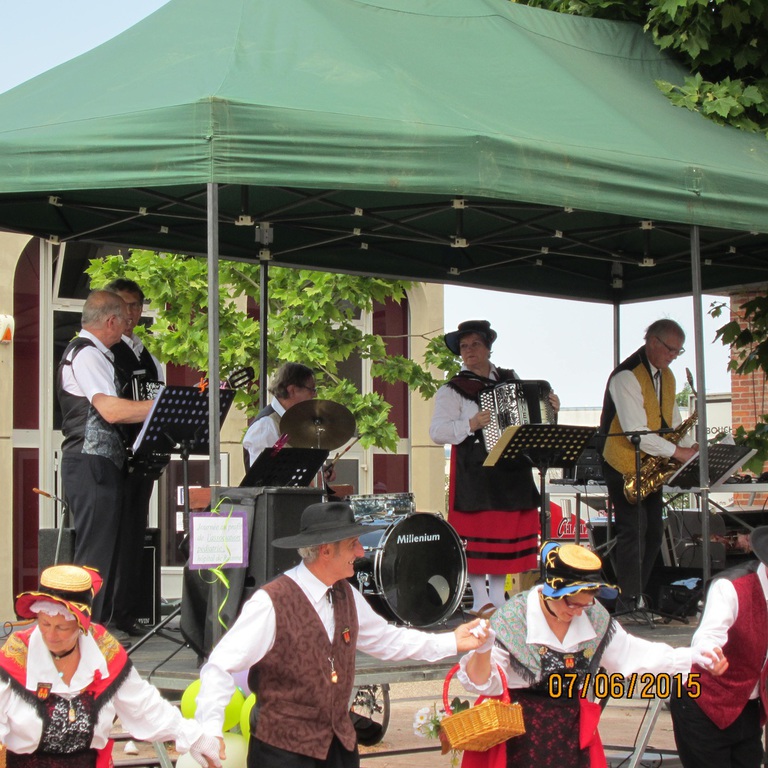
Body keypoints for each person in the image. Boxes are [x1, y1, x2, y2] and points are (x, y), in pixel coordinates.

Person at [193, 500, 491, 768]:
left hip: (338, 749)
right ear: (325, 551)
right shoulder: (271, 602)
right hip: (282, 752)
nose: (361, 552)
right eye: (353, 544)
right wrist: (210, 729)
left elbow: (388, 640)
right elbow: (220, 665)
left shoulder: (345, 593)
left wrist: (451, 640)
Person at [457, 541, 726, 768]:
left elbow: (631, 654)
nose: (577, 612)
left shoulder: (593, 615)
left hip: (571, 733)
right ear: (551, 590)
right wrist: (483, 649)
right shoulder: (514, 618)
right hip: (516, 734)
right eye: (571, 602)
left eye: (585, 604)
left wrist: (694, 658)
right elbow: (482, 682)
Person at [0, 564, 221, 768]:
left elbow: (143, 705)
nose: (50, 635)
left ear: (81, 626)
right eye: (44, 623)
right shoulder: (17, 655)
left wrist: (194, 737)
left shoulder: (104, 651)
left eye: (62, 628)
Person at [429, 320, 560, 617]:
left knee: (503, 533)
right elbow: (436, 432)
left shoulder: (511, 379)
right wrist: (471, 423)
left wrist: (551, 407)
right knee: (478, 533)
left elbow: (532, 418)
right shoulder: (453, 389)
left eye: (475, 344)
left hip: (511, 468)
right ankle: (479, 599)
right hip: (476, 470)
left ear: (488, 348)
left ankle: (498, 597)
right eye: (464, 346)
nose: (469, 350)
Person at [57, 289, 155, 627]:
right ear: (111, 321)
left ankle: (95, 627)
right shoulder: (87, 354)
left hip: (99, 463)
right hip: (91, 462)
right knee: (95, 555)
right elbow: (110, 410)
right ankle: (84, 631)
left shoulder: (96, 354)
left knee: (104, 552)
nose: (128, 326)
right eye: (124, 320)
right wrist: (162, 405)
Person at [599, 319, 698, 608]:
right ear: (653, 341)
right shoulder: (626, 376)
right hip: (621, 463)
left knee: (654, 532)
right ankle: (627, 601)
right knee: (633, 531)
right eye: (671, 350)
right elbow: (636, 433)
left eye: (678, 351)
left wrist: (690, 445)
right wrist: (678, 453)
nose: (674, 356)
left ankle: (637, 597)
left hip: (649, 464)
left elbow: (672, 422)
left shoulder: (667, 376)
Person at [669, 526, 768, 768]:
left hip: (748, 705)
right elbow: (707, 636)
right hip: (703, 702)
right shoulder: (731, 586)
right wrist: (710, 656)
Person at [104, 278, 166, 637]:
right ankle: (107, 615)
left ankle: (126, 612)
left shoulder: (147, 355)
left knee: (134, 535)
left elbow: (158, 397)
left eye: (137, 305)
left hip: (143, 455)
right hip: (115, 454)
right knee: (111, 537)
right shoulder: (105, 352)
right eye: (126, 304)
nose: (132, 312)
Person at [242, 362, 317, 467]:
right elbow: (262, 473)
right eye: (312, 390)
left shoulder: (292, 420)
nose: (315, 395)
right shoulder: (266, 425)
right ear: (292, 390)